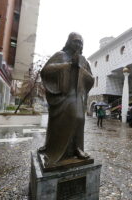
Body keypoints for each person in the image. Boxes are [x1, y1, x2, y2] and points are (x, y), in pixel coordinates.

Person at [38, 32, 94, 167]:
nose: (78, 44)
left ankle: (77, 148)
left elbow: (91, 79)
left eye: (81, 42)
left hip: (77, 96)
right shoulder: (60, 55)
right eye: (76, 41)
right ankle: (53, 148)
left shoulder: (84, 61)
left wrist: (79, 68)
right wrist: (68, 66)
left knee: (79, 118)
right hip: (62, 96)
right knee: (59, 123)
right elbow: (46, 71)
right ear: (69, 42)